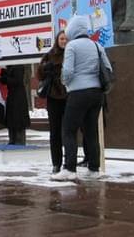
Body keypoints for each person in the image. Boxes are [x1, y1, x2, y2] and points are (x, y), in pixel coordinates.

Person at [52, 15, 112, 181]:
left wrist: (65, 82)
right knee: (91, 131)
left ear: (72, 30)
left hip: (78, 93)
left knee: (69, 130)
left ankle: (69, 168)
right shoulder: (97, 45)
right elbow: (108, 67)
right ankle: (94, 168)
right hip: (96, 93)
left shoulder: (72, 46)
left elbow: (68, 72)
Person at [38, 31, 68, 173]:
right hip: (54, 97)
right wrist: (45, 68)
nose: (64, 41)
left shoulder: (72, 52)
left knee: (68, 131)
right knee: (55, 132)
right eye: (61, 39)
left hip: (69, 96)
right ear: (57, 40)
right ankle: (56, 163)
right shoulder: (50, 54)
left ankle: (69, 162)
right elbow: (39, 74)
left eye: (66, 39)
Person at [0, 65, 31, 145]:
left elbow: (17, 80)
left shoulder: (18, 66)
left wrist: (4, 78)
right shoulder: (10, 66)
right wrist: (3, 74)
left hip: (18, 99)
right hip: (12, 97)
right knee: (12, 122)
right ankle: (12, 141)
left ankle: (18, 143)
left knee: (18, 123)